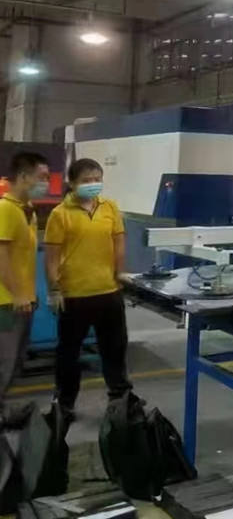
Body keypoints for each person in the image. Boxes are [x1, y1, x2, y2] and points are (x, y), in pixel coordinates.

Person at [44, 158, 131, 416]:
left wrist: (119, 273)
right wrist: (54, 289)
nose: (93, 184)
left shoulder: (109, 207)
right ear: (72, 183)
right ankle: (65, 404)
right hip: (75, 295)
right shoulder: (60, 214)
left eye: (97, 179)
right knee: (68, 354)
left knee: (115, 350)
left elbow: (118, 242)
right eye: (86, 180)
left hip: (108, 292)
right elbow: (51, 257)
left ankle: (121, 401)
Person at [0, 151, 50, 418]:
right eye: (41, 177)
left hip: (22, 300)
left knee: (14, 363)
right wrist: (18, 294)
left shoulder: (25, 210)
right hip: (6, 303)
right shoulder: (5, 209)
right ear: (22, 176)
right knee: (4, 362)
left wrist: (29, 294)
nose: (46, 183)